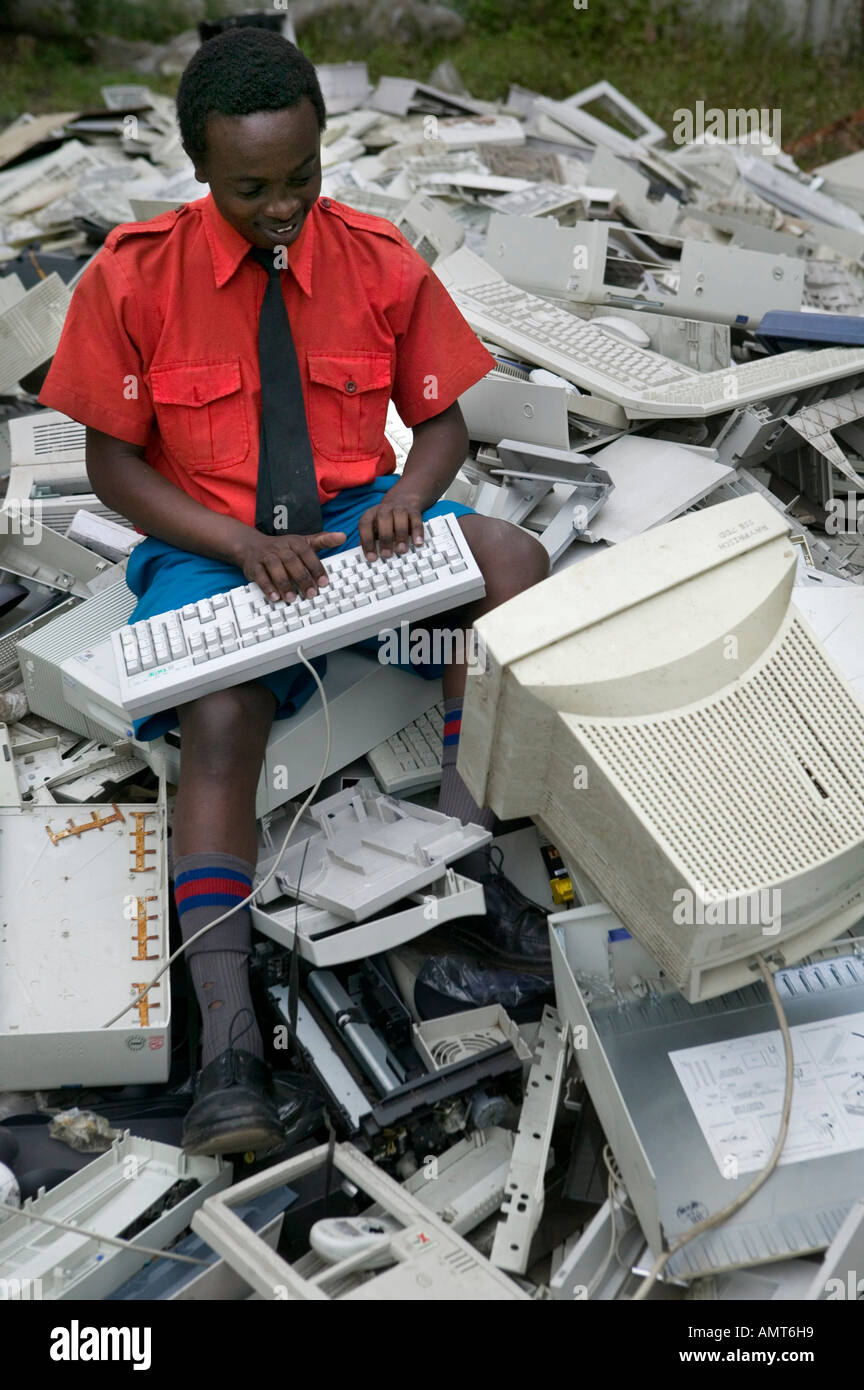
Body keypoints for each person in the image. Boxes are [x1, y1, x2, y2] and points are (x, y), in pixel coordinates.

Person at [39, 27, 550, 1156]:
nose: (281, 208)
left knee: (512, 563)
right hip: (206, 544)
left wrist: (409, 496)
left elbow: (442, 420)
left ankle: (477, 876)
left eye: (301, 180)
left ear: (325, 151)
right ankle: (229, 1041)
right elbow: (112, 464)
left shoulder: (376, 258)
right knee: (223, 712)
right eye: (250, 189)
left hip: (358, 523)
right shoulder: (130, 275)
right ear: (199, 169)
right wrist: (231, 538)